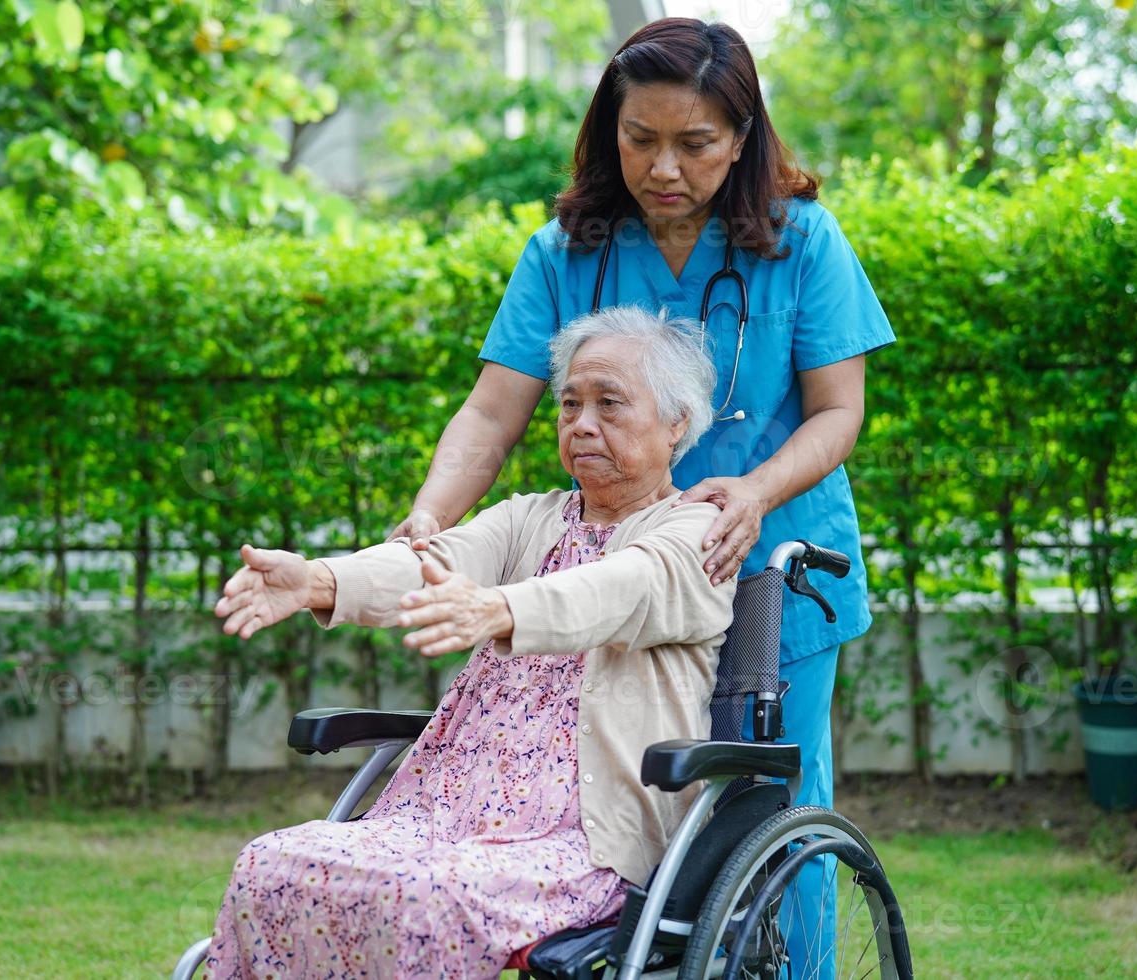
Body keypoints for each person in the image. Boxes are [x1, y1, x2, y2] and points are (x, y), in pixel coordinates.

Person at [388, 18, 894, 977]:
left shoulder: (803, 243)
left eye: (695, 143)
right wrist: (431, 515)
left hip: (769, 573)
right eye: (640, 139)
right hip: (612, 579)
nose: (664, 167)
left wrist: (751, 489)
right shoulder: (563, 252)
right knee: (619, 813)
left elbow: (836, 413)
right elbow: (492, 414)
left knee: (775, 819)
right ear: (606, 131)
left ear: (741, 137)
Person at [204, 307, 735, 979]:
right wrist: (317, 580)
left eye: (609, 404)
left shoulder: (697, 534)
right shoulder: (527, 519)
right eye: (569, 405)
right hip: (440, 814)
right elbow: (430, 562)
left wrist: (499, 608)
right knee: (271, 865)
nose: (582, 424)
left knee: (427, 896)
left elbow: (615, 589)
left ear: (676, 421)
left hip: (580, 839)